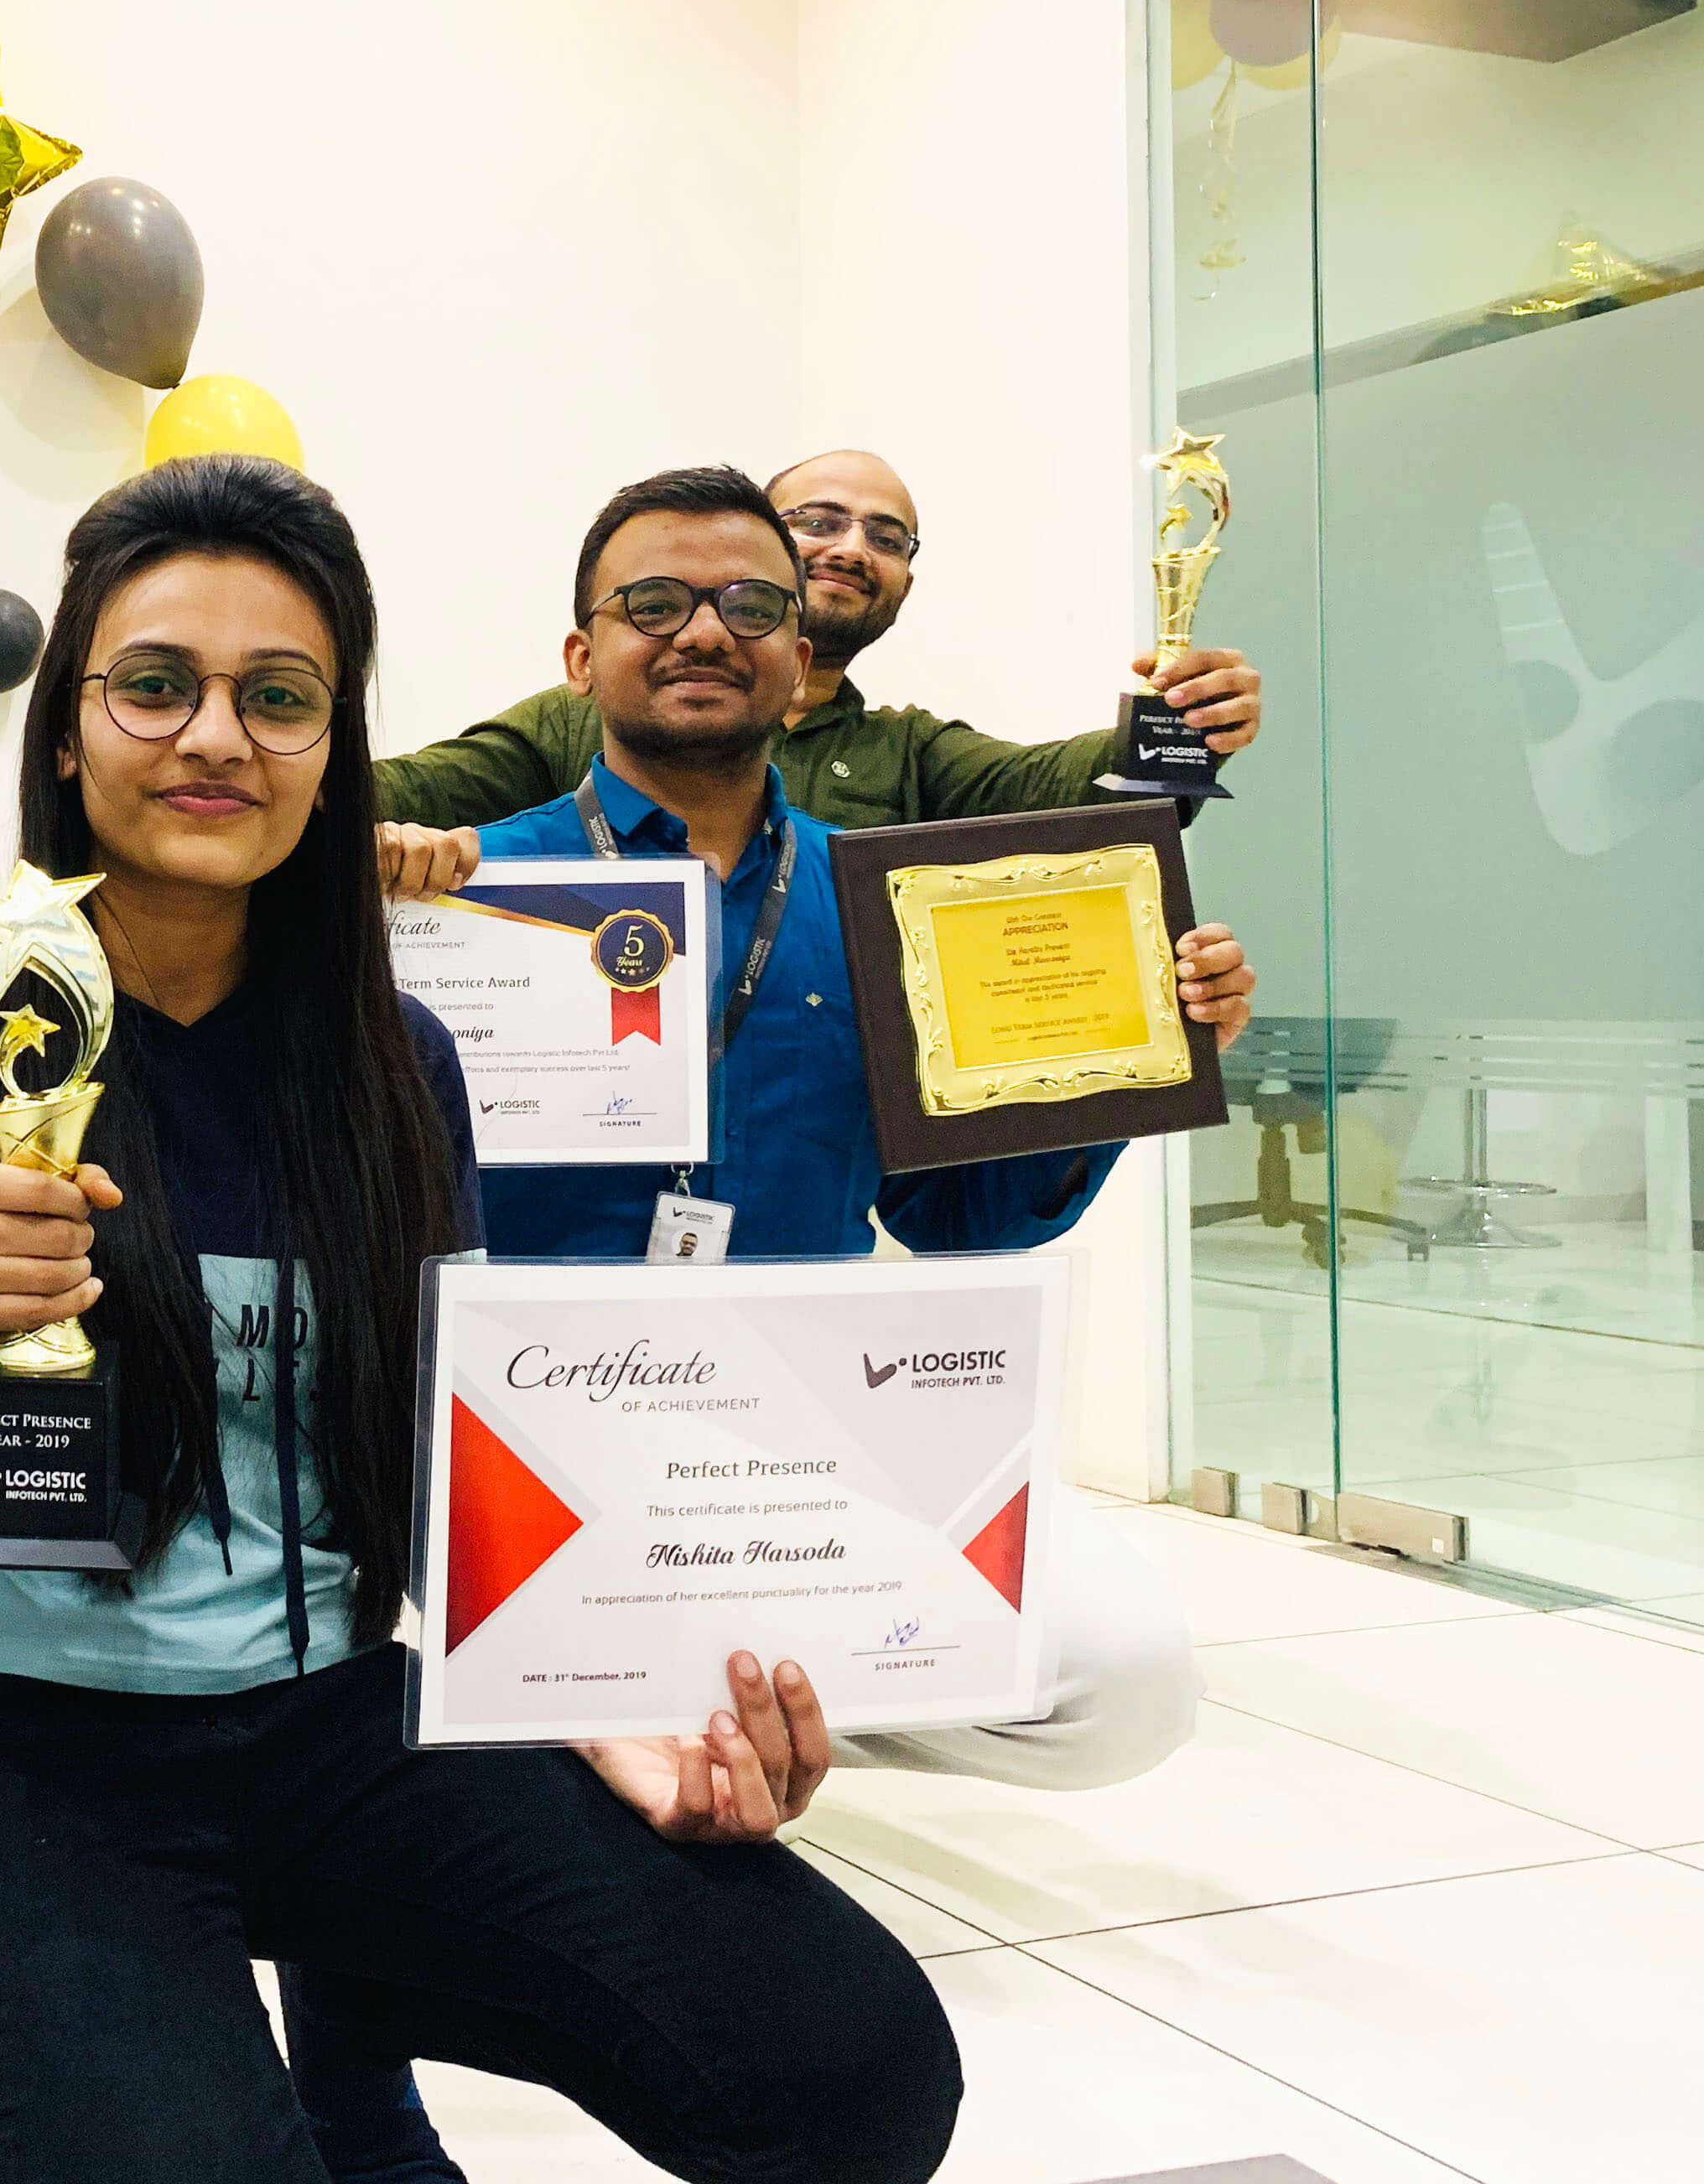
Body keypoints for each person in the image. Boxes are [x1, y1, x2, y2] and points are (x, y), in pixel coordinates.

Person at [0, 454, 970, 2184]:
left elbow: (441, 1484)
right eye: (155, 685)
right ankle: (49, 2061)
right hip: (2, 1744)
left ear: (334, 752)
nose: (216, 738)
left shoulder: (398, 1062)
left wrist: (611, 1706)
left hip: (329, 1720)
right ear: (67, 730)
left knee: (849, 2069)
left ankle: (91, 2080)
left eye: (280, 697)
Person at [304, 462, 1251, 2184]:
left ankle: (668, 1696)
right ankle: (375, 2012)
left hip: (782, 1452)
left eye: (750, 605)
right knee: (332, 1635)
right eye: (654, 603)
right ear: (581, 654)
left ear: (799, 659)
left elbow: (964, 1217)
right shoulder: (459, 890)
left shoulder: (894, 909)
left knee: (1129, 1675)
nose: (705, 631)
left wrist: (1137, 1056)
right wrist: (349, 908)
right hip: (512, 1470)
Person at [373, 446, 1263, 887]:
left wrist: (1185, 722)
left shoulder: (913, 755)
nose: (851, 548)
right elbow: (390, 794)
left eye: (887, 537)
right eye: (820, 522)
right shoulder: (582, 719)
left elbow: (1076, 795)